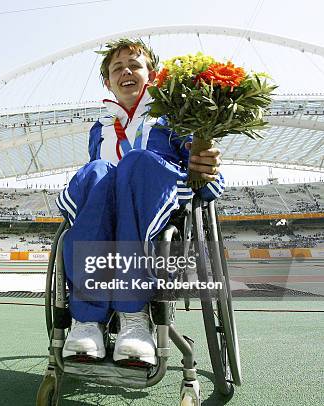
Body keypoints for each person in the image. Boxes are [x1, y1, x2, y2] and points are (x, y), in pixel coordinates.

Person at [55, 39, 224, 365]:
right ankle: (87, 320)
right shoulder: (100, 129)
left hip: (156, 213)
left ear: (153, 74)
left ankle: (133, 316)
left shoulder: (174, 120)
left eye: (134, 65)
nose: (126, 72)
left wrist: (208, 170)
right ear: (108, 82)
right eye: (117, 68)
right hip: (107, 215)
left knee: (137, 164)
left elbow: (207, 182)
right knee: (98, 170)